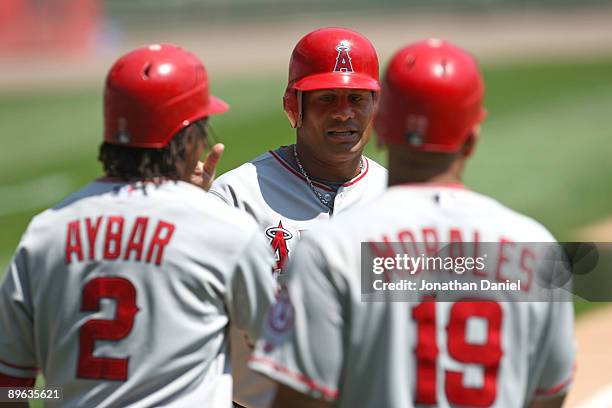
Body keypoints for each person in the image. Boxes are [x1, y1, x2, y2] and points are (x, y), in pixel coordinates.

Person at [249, 39, 576, 408]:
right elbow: (550, 395)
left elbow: (299, 400)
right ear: (471, 139)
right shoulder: (534, 245)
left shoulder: (331, 247)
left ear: (382, 126)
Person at [0, 43, 276, 408]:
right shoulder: (225, 231)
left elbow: (10, 387)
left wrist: (64, 395)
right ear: (191, 139)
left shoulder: (45, 233)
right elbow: (282, 356)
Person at [206, 27, 388, 408]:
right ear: (295, 105)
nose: (344, 112)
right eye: (326, 98)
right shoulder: (237, 196)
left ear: (376, 107)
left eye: (357, 98)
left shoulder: (396, 197)